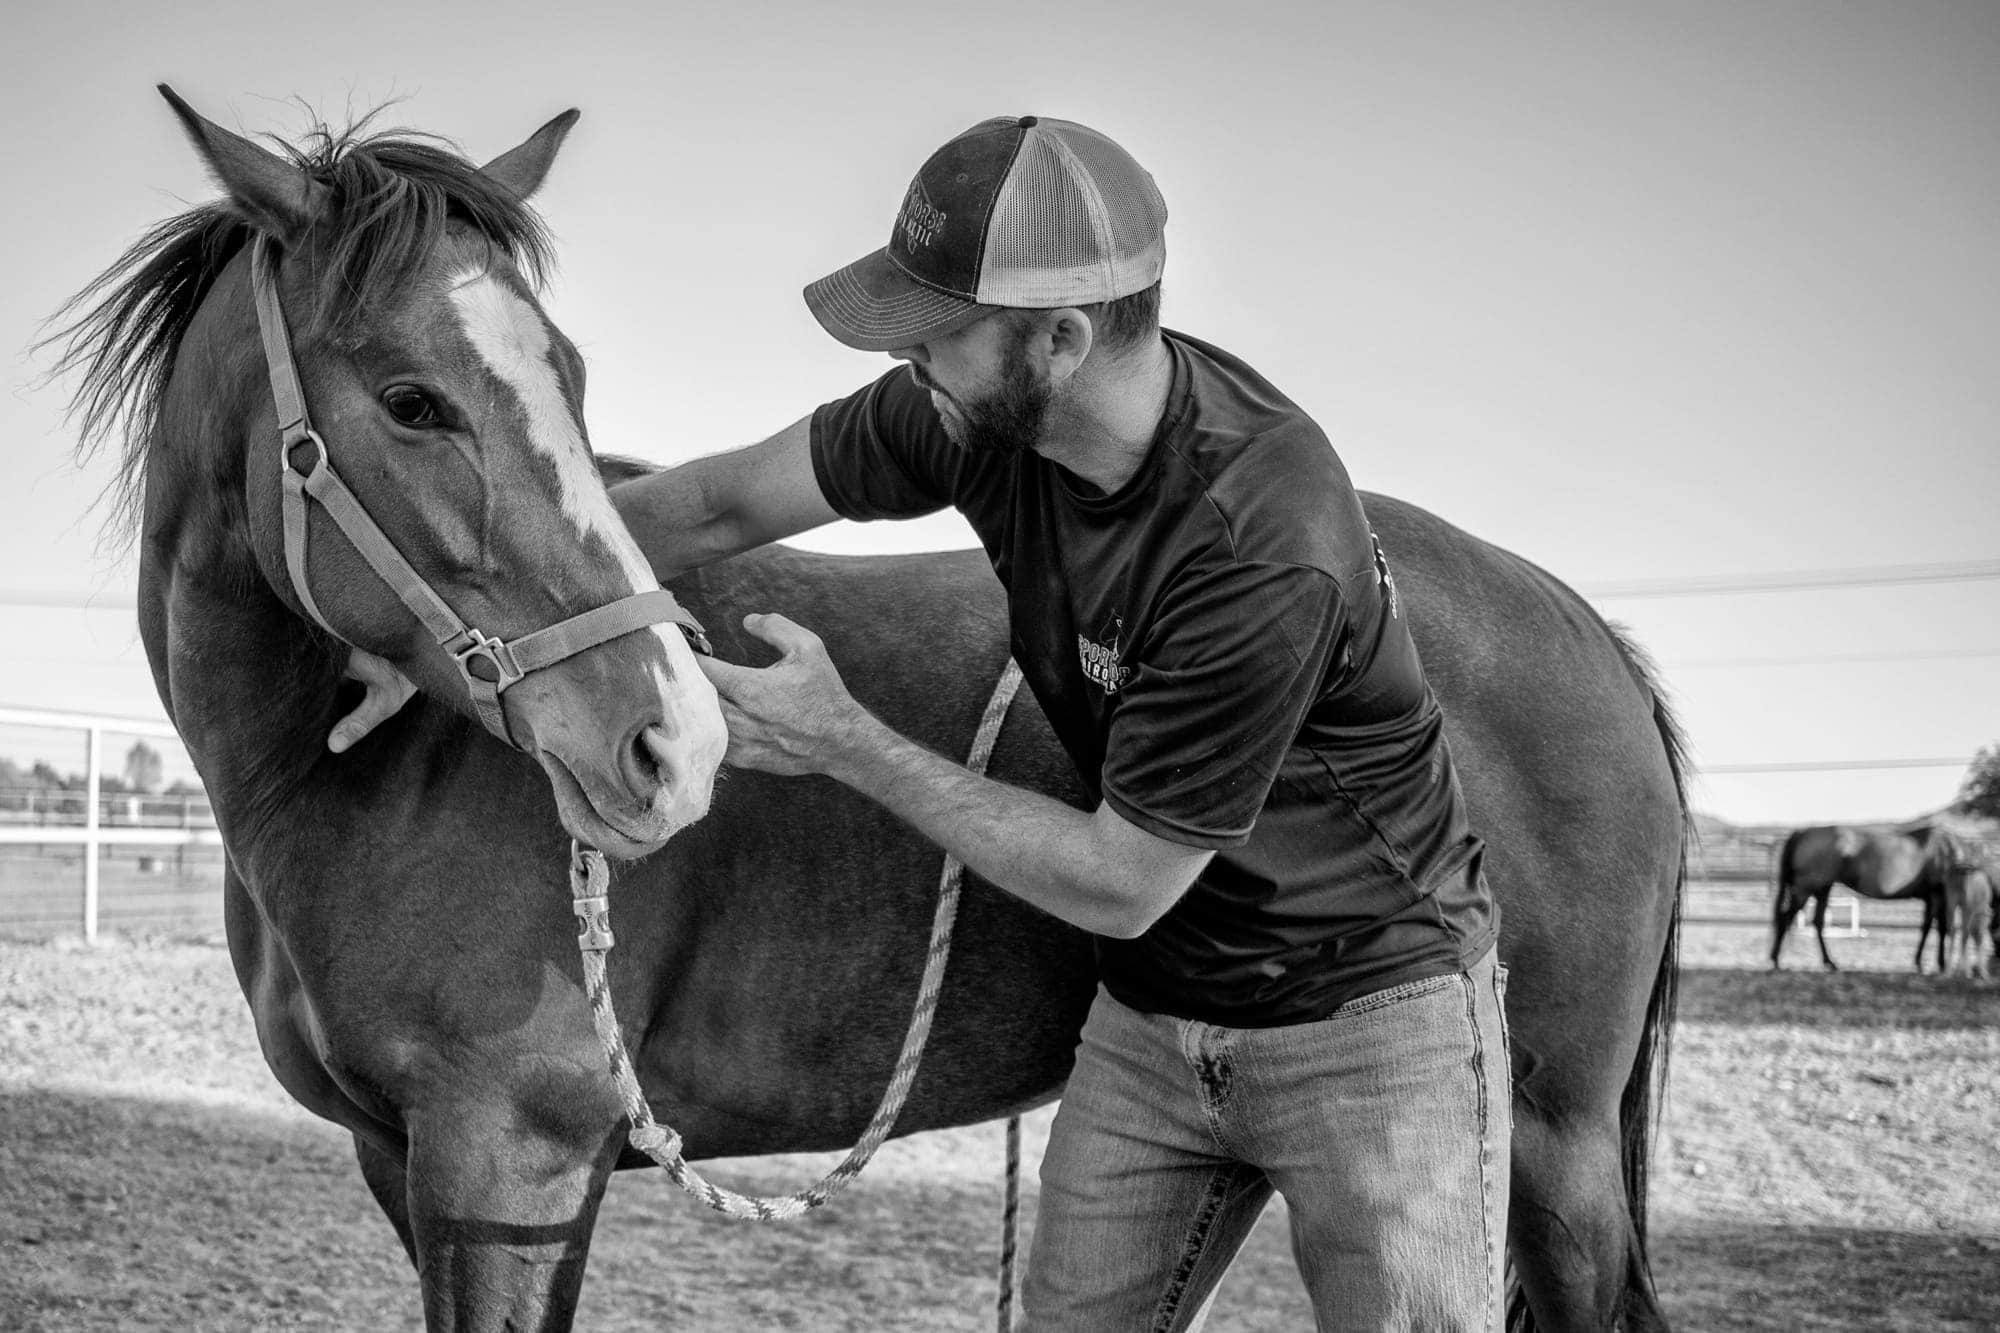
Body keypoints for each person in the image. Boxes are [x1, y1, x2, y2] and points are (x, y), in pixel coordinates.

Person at [334, 114, 1511, 1329]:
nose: (907, 360)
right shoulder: (971, 415)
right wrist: (452, 630)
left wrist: (844, 738)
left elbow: (1120, 879)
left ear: (1056, 340)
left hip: (1366, 1028)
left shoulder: (1260, 548)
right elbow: (720, 503)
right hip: (1153, 1021)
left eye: (936, 331)